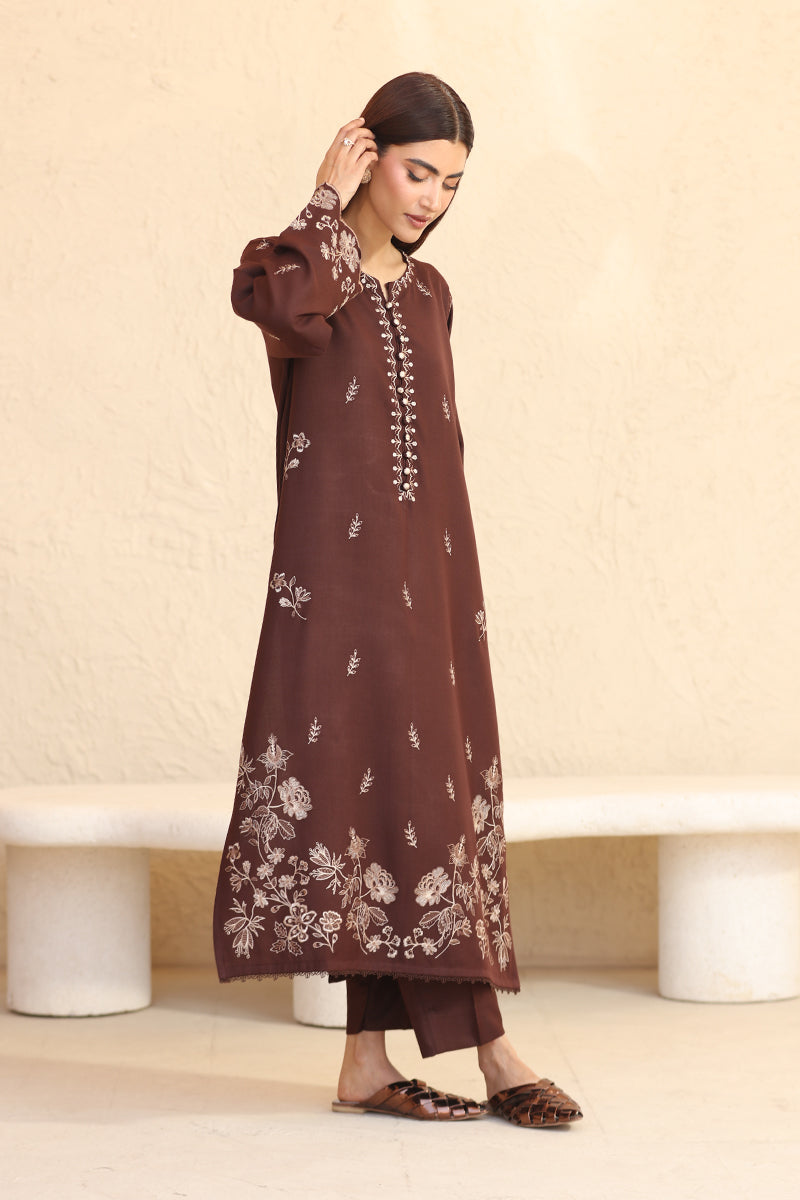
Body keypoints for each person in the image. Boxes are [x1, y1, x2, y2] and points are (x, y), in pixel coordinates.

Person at [212, 72, 582, 1128]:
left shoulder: (430, 295)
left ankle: (366, 1065)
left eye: (451, 184)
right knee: (368, 789)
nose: (430, 199)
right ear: (365, 152)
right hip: (332, 586)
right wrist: (320, 203)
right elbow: (275, 308)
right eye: (417, 170)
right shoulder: (294, 271)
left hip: (428, 583)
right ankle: (495, 1051)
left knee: (418, 796)